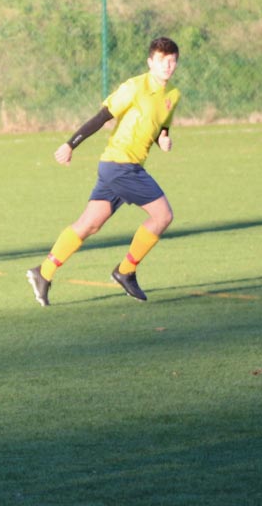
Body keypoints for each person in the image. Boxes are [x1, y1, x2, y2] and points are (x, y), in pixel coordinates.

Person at [27, 36, 181, 306]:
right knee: (163, 215)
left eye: (172, 61)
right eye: (161, 60)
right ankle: (126, 271)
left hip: (122, 167)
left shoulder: (173, 95)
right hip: (121, 165)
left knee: (90, 224)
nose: (167, 66)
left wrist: (163, 139)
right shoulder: (135, 87)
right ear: (150, 62)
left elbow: (161, 127)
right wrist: (70, 144)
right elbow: (102, 116)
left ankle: (43, 272)